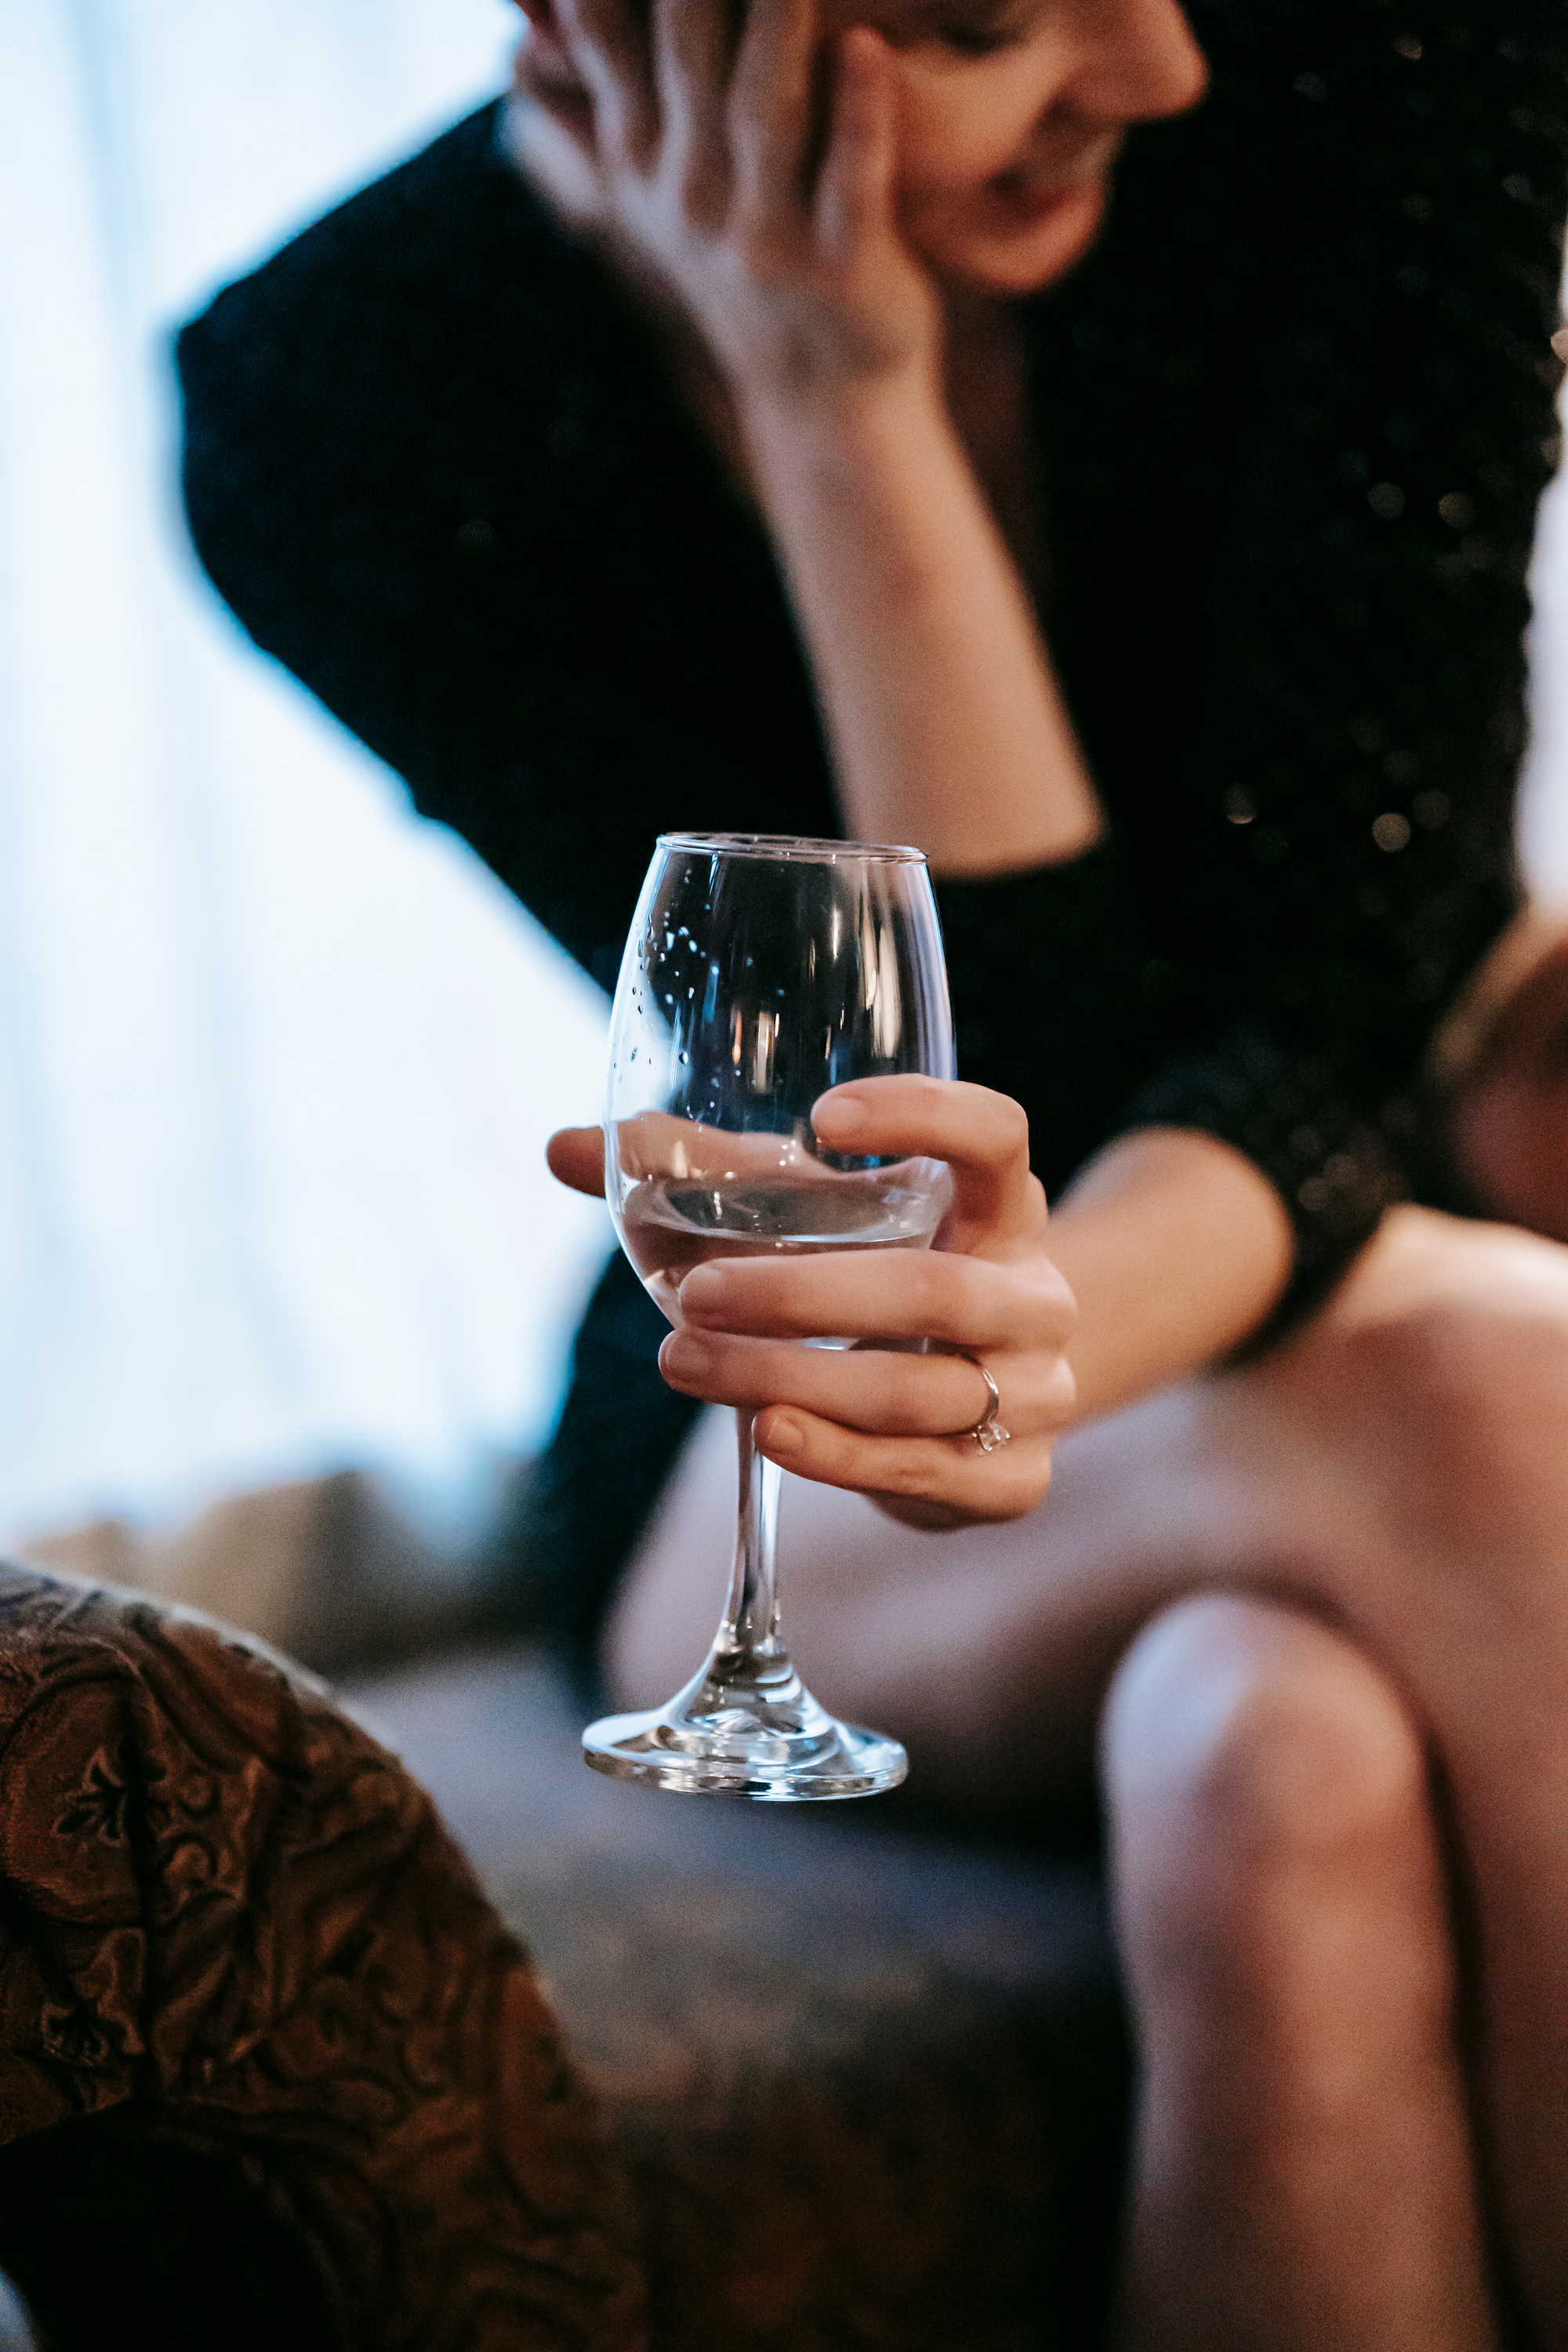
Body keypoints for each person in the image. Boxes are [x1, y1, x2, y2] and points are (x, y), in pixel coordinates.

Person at [176, 0, 1568, 2339]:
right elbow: (903, 1126)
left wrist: (1046, 1346)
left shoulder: (1395, 66)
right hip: (783, 1420)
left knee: (1268, 1754)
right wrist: (841, 411)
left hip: (1275, 1274)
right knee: (1496, 1394)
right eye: (985, 18)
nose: (1156, 69)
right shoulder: (349, 397)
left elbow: (1316, 1029)